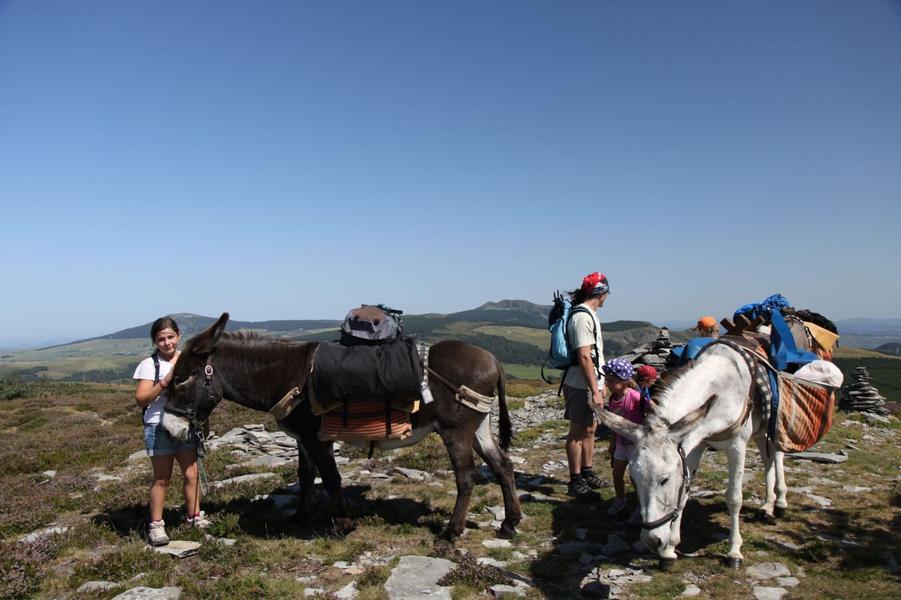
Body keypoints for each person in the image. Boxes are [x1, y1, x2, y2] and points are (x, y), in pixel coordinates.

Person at [134, 317, 210, 546]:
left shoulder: (189, 361)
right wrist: (165, 381)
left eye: (170, 337)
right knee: (162, 478)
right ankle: (156, 525)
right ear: (155, 342)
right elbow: (141, 399)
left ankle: (194, 517)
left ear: (178, 336)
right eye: (161, 339)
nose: (167, 343)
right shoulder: (150, 365)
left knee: (191, 474)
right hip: (158, 424)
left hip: (185, 424)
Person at [561, 272, 609, 497]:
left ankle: (587, 472)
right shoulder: (581, 317)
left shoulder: (589, 314)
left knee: (590, 428)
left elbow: (594, 354)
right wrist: (593, 389)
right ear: (601, 292)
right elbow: (584, 356)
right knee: (577, 431)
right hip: (580, 384)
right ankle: (575, 479)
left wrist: (602, 382)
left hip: (591, 382)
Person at [603, 358, 644, 517]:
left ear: (624, 381)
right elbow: (615, 423)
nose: (608, 384)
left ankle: (641, 504)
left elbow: (651, 409)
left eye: (612, 381)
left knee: (635, 476)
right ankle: (621, 499)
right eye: (607, 380)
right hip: (620, 443)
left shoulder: (634, 396)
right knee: (617, 474)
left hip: (635, 444)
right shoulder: (613, 399)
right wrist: (612, 443)